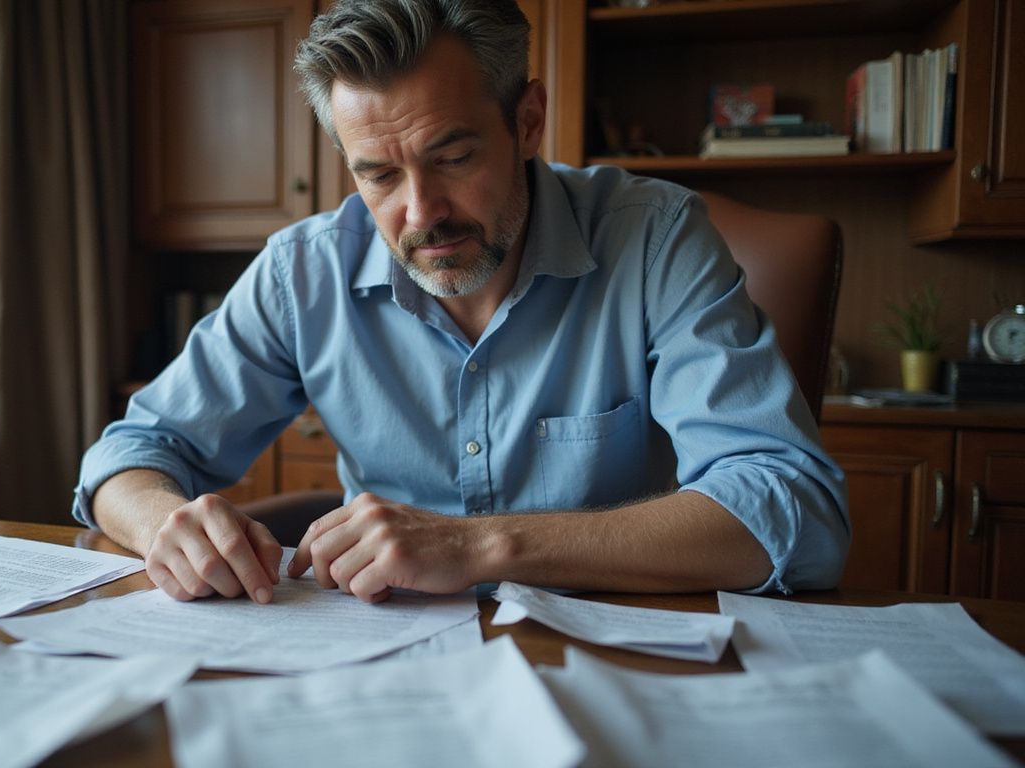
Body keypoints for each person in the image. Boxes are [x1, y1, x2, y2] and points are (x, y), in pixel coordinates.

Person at [73, 0, 848, 605]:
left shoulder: (656, 242)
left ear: (528, 121)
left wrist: (480, 546)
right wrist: (165, 526)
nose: (421, 212)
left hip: (615, 663)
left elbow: (791, 508)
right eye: (378, 174)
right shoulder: (303, 273)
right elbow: (127, 455)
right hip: (381, 664)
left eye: (453, 156)